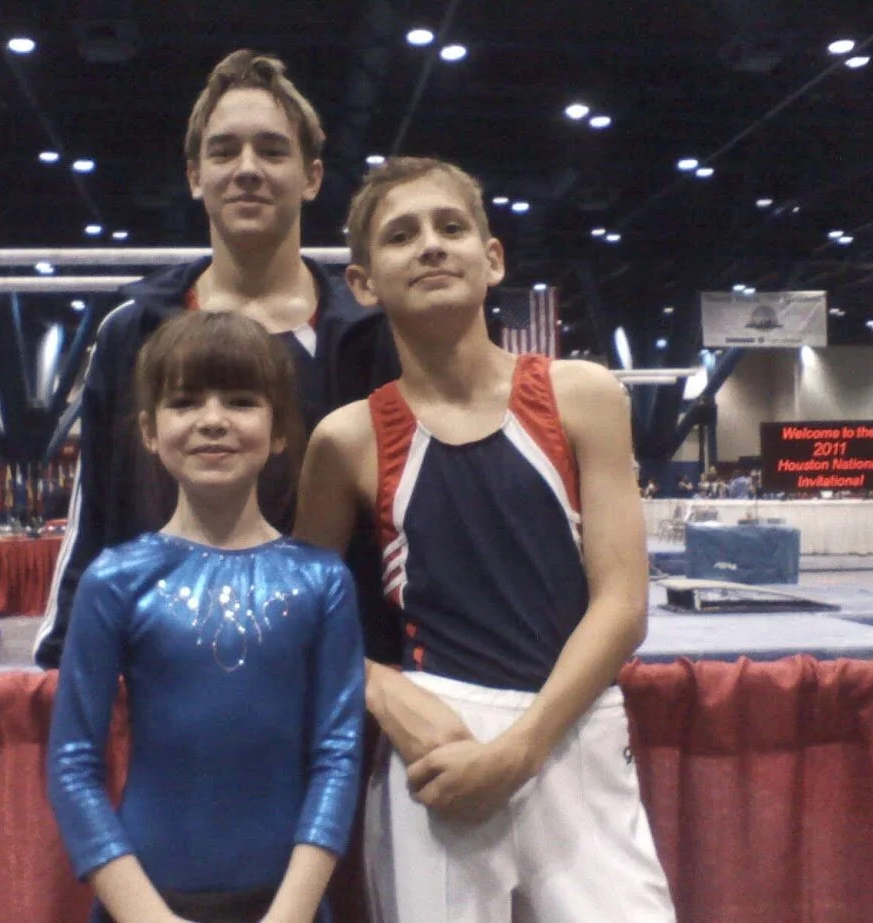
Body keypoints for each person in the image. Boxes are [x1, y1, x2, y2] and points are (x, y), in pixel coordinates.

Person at [294, 157, 674, 922]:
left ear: (491, 257)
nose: (431, 245)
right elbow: (301, 612)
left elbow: (623, 604)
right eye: (402, 235)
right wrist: (380, 688)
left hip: (572, 726)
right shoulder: (348, 440)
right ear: (364, 283)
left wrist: (522, 747)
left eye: (451, 227)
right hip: (436, 736)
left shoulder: (584, 395)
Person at [35, 49, 400, 670]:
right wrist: (61, 660)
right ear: (194, 175)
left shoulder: (372, 338)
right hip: (167, 675)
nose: (248, 169)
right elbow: (94, 513)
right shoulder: (134, 331)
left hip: (344, 680)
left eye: (272, 150)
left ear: (312, 177)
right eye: (225, 151)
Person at [47, 312, 364, 923]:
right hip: (145, 905)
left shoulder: (322, 581)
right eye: (186, 401)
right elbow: (72, 765)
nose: (213, 420)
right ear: (148, 429)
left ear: (277, 432)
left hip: (286, 905)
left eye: (241, 401)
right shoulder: (115, 580)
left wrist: (289, 914)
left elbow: (338, 755)